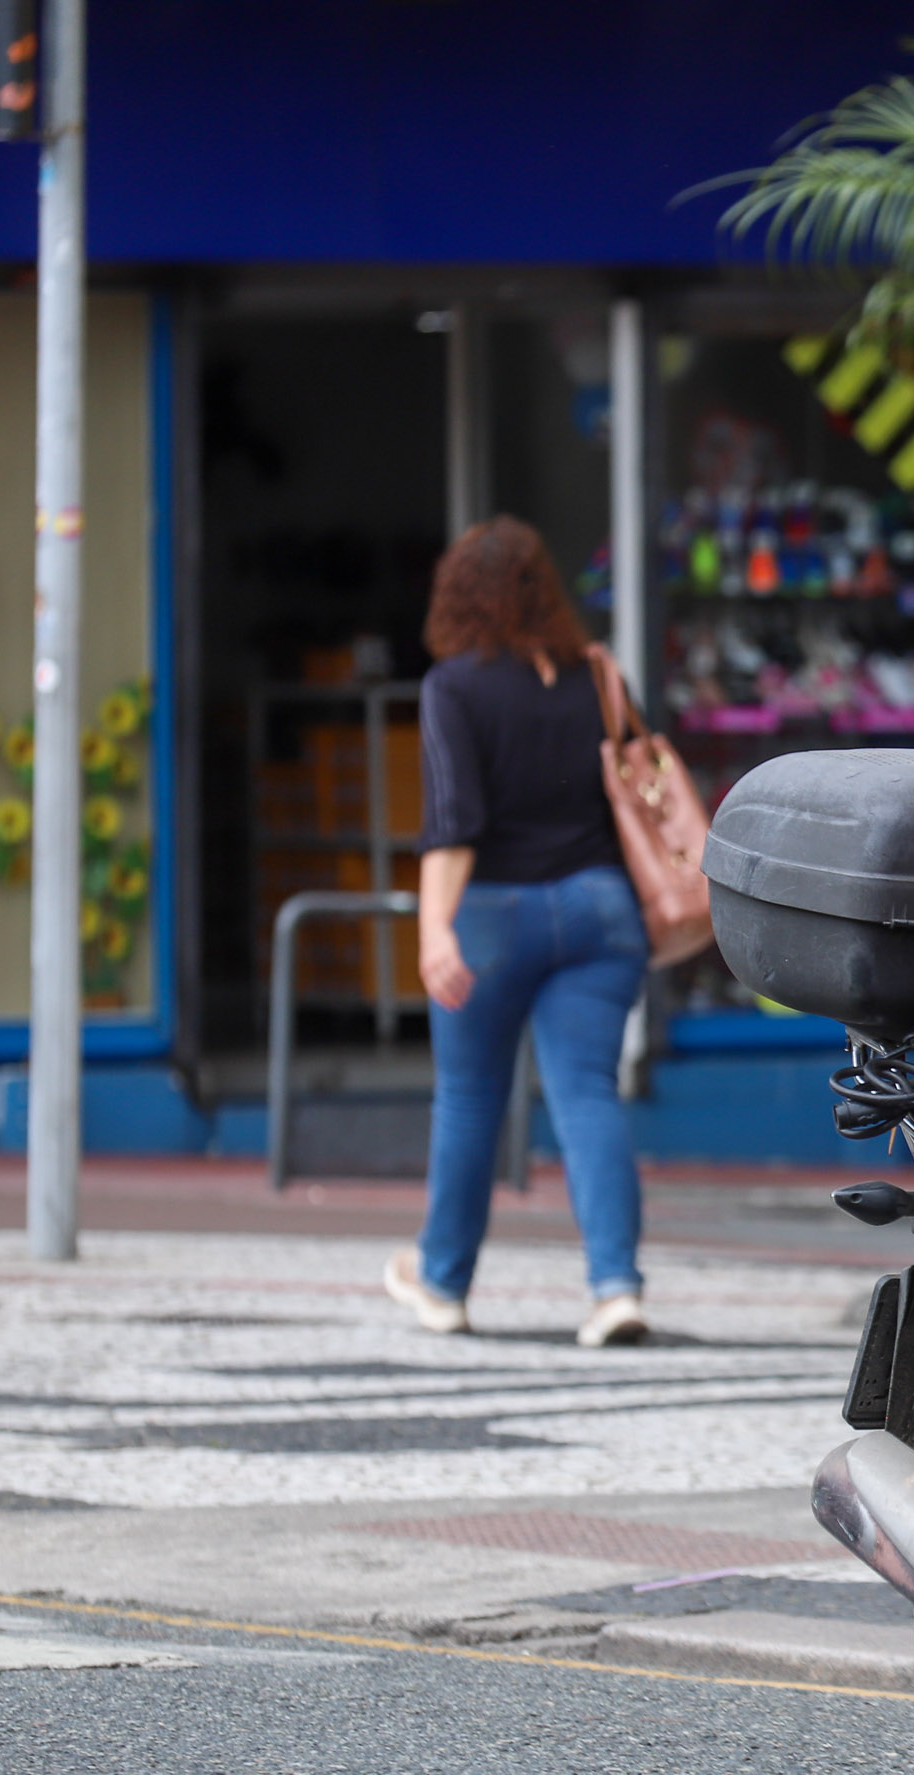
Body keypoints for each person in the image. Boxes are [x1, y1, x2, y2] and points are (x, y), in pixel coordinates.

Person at [381, 517, 654, 1349]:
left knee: (468, 1099)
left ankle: (442, 1283)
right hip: (603, 910)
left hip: (493, 914)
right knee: (586, 1094)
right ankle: (615, 1289)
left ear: (459, 594)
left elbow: (454, 824)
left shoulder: (455, 686)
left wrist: (433, 929)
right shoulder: (596, 675)